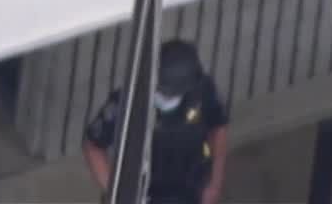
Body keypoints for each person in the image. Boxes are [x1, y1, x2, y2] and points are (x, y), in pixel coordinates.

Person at [83, 39, 229, 204]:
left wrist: (215, 182)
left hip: (192, 186)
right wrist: (119, 195)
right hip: (142, 191)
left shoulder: (203, 89)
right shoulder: (128, 101)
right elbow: (93, 146)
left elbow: (218, 127)